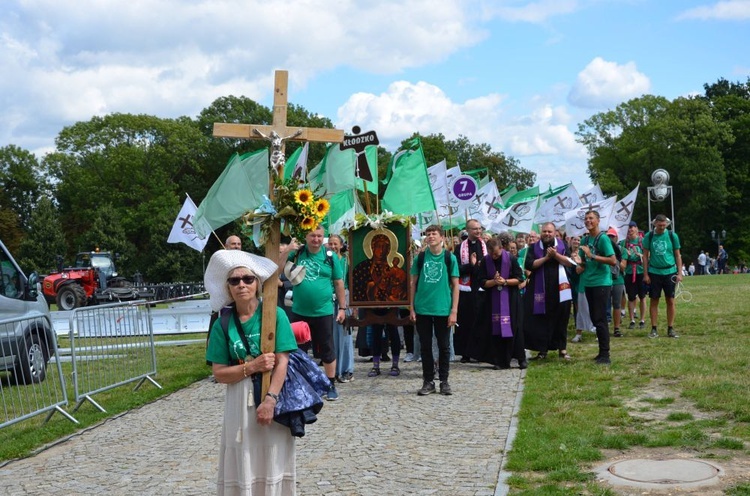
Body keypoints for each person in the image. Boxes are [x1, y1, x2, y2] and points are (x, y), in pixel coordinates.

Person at [204, 250, 298, 494]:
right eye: (234, 281)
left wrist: (270, 400)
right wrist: (252, 366)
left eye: (248, 279)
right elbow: (220, 373)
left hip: (272, 394)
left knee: (272, 453)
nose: (241, 285)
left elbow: (282, 361)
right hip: (238, 398)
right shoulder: (222, 323)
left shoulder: (274, 315)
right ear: (228, 288)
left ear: (257, 283)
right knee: (242, 453)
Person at [282, 226, 347, 400]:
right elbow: (277, 266)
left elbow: (339, 283)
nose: (316, 239)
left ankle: (330, 384)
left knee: (327, 348)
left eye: (319, 236)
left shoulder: (330, 257)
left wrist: (342, 308)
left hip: (323, 311)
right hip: (299, 311)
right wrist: (287, 249)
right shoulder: (297, 253)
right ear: (306, 236)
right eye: (312, 236)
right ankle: (300, 385)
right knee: (297, 350)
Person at [410, 225, 459, 396]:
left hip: (442, 308)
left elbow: (455, 285)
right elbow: (413, 283)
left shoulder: (449, 258)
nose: (430, 236)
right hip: (423, 307)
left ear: (442, 238)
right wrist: (411, 307)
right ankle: (428, 381)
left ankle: (444, 381)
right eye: (428, 234)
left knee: (444, 346)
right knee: (425, 346)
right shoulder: (421, 258)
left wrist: (454, 310)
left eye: (434, 234)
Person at [473, 233, 526, 369]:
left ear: (501, 248)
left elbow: (520, 279)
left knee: (515, 328)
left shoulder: (511, 259)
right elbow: (482, 282)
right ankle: (499, 360)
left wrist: (505, 281)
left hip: (511, 298)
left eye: (496, 254)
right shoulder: (486, 261)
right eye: (491, 254)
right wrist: (494, 281)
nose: (494, 257)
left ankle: (520, 358)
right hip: (493, 300)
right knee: (496, 329)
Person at [523, 222, 574, 361]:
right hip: (540, 289)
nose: (547, 234)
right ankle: (542, 350)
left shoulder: (563, 245)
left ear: (554, 232)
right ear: (541, 233)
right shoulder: (534, 247)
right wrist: (546, 257)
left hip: (561, 288)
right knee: (541, 320)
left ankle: (562, 349)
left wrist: (556, 255)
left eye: (549, 232)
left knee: (562, 318)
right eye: (544, 231)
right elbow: (529, 265)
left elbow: (570, 263)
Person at [577, 210, 616, 364]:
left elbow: (612, 260)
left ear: (598, 221)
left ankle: (605, 355)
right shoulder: (585, 240)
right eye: (586, 219)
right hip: (588, 282)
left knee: (600, 319)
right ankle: (601, 353)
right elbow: (584, 262)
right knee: (595, 318)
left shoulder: (603, 239)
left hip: (601, 283)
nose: (588, 221)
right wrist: (580, 265)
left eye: (591, 218)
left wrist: (592, 255)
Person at [642, 214, 683, 338]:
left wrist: (680, 273)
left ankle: (670, 328)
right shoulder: (649, 237)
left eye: (664, 225)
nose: (661, 227)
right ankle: (654, 328)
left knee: (670, 300)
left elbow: (677, 255)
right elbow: (644, 256)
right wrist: (645, 274)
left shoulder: (672, 236)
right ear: (655, 224)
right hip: (654, 272)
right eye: (659, 225)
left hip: (669, 271)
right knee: (654, 300)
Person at [455, 219, 487, 363]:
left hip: (482, 289)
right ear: (467, 230)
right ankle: (465, 353)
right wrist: (471, 265)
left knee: (481, 321)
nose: (478, 231)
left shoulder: (486, 246)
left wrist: (480, 266)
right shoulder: (459, 248)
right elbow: (456, 269)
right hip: (466, 290)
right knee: (466, 322)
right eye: (475, 229)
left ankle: (480, 352)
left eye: (480, 229)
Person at [352, 231, 408, 303]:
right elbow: (357, 289)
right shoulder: (361, 268)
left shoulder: (393, 269)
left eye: (384, 247)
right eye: (378, 247)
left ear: (388, 249)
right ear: (372, 248)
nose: (381, 250)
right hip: (366, 307)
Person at [328, 234, 354, 383]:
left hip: (343, 299)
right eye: (330, 244)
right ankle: (334, 370)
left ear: (341, 245)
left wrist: (352, 305)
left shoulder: (346, 261)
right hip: (327, 299)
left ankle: (347, 369)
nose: (332, 246)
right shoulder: (325, 260)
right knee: (330, 336)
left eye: (335, 244)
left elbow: (351, 281)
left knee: (344, 336)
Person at [621, 221, 646, 330]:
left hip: (641, 271)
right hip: (629, 272)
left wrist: (639, 255)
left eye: (632, 227)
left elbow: (648, 256)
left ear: (636, 228)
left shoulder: (642, 241)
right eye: (628, 228)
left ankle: (642, 320)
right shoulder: (624, 243)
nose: (630, 230)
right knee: (631, 297)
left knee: (642, 296)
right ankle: (632, 320)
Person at [606, 227, 627, 337]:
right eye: (608, 236)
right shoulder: (603, 249)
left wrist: (615, 258)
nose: (610, 238)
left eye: (612, 236)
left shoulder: (622, 250)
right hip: (605, 280)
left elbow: (623, 267)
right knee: (605, 304)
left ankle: (616, 328)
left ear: (616, 237)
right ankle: (604, 329)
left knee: (617, 304)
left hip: (618, 280)